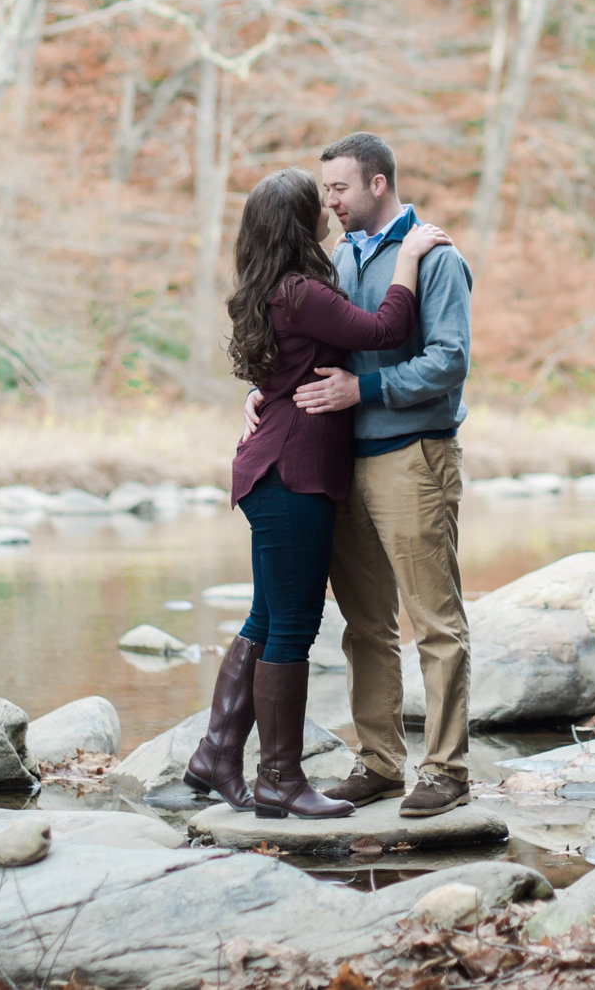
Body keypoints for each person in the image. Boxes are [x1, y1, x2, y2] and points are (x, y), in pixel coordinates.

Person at [186, 167, 450, 821]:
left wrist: (257, 396)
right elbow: (387, 327)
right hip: (291, 474)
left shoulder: (267, 288)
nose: (330, 210)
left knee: (266, 618)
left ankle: (217, 754)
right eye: (319, 204)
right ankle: (279, 779)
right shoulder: (302, 291)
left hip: (269, 467)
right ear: (302, 223)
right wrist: (409, 256)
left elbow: (282, 371)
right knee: (293, 627)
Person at [272, 131, 475, 817]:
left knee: (434, 621)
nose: (329, 200)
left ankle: (446, 770)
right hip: (343, 464)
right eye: (326, 188)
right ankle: (382, 764)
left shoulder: (436, 256)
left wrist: (365, 392)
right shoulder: (336, 258)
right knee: (365, 626)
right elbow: (313, 345)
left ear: (378, 184)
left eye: (339, 188)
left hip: (413, 456)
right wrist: (264, 393)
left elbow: (449, 361)